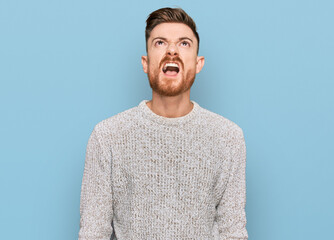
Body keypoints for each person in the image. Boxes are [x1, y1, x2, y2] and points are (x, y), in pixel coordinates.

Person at [78, 7, 248, 240]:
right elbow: (93, 234)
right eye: (160, 43)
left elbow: (233, 233)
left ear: (198, 63)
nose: (171, 51)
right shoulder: (107, 137)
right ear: (145, 63)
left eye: (184, 43)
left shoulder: (228, 137)